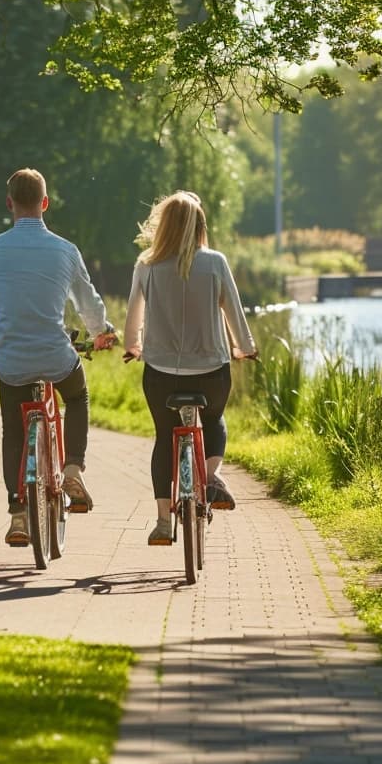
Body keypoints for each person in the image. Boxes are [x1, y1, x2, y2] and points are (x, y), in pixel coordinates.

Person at [0, 168, 119, 545]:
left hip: (11, 362)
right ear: (45, 203)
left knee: (12, 430)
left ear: (9, 203)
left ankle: (18, 514)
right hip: (55, 356)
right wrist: (101, 333)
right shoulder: (65, 250)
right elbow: (87, 301)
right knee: (77, 397)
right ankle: (74, 467)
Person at [122, 191, 258, 545]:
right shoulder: (214, 262)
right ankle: (211, 477)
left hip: (161, 373)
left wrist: (132, 346)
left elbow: (133, 315)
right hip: (211, 371)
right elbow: (234, 313)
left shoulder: (146, 265)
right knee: (213, 419)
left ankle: (163, 522)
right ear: (200, 227)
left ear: (163, 226)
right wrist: (245, 348)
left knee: (164, 438)